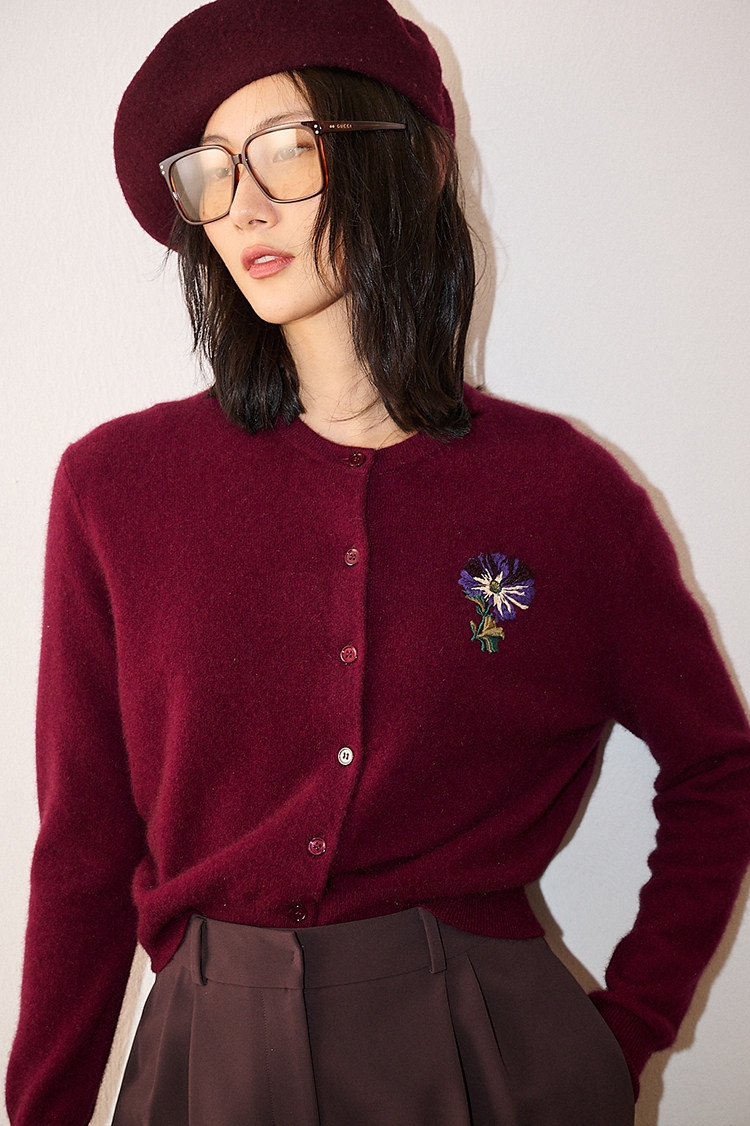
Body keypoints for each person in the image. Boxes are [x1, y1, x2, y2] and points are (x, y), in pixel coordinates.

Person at [6, 0, 750, 1123]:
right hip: (209, 1058)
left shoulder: (565, 492)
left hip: (489, 1054)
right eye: (212, 168)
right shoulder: (117, 487)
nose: (242, 203)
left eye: (286, 149)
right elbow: (83, 847)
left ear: (406, 163)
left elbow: (717, 768)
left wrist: (625, 1033)